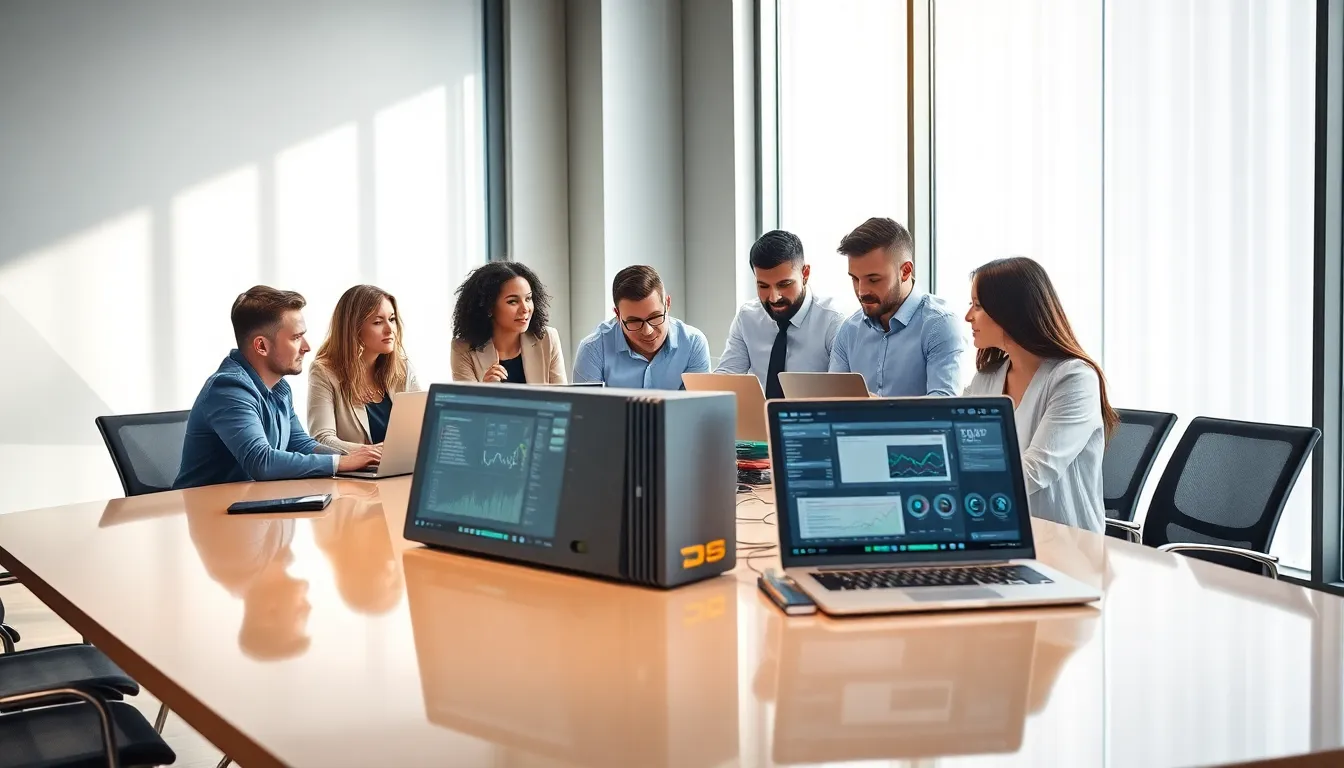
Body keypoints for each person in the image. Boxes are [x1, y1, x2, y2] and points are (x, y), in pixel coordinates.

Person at [962, 256, 1117, 533]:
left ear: (1009, 310)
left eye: (978, 306)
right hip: (1000, 533)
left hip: (1067, 545)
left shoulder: (1073, 378)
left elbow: (1037, 469)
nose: (968, 316)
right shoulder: (986, 379)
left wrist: (953, 486)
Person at [174, 286, 380, 489]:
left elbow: (300, 444)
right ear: (261, 346)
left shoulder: (279, 388)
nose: (307, 347)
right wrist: (341, 463)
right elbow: (261, 461)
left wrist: (362, 457)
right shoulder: (228, 389)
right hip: (207, 507)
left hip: (251, 502)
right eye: (296, 337)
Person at [828, 217, 964, 397]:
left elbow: (943, 404)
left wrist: (881, 409)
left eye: (873, 280)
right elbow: (833, 400)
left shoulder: (939, 325)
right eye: (855, 279)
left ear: (905, 271)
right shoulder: (848, 330)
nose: (861, 291)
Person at [715, 230, 848, 398]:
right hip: (759, 414)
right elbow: (726, 379)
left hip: (814, 414)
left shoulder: (833, 321)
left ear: (805, 274)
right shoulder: (747, 317)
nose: (774, 297)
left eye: (784, 284)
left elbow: (841, 393)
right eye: (763, 286)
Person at [308, 285, 421, 454]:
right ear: (353, 329)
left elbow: (423, 426)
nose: (390, 329)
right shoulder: (324, 371)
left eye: (392, 319)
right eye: (377, 322)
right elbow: (322, 439)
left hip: (403, 466)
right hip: (358, 470)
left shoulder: (403, 368)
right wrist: (372, 453)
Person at [573, 265, 710, 389]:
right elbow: (587, 408)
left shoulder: (693, 344)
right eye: (634, 321)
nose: (647, 331)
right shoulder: (593, 349)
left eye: (655, 317)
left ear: (667, 304)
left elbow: (696, 406)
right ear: (618, 315)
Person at [451, 262, 567, 385]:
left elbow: (562, 395)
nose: (525, 309)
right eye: (513, 301)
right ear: (489, 307)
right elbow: (466, 398)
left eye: (528, 299)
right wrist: (486, 390)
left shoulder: (547, 338)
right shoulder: (462, 349)